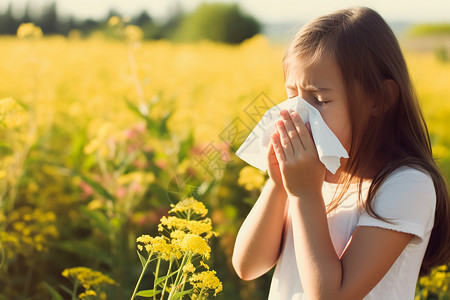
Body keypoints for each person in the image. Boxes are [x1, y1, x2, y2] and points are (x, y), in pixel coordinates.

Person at [232, 7, 450, 300]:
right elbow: (248, 266)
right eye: (292, 96)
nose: (299, 112)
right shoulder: (310, 173)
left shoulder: (407, 184)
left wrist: (304, 194)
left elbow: (332, 296)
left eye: (320, 100)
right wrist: (278, 185)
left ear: (379, 98)